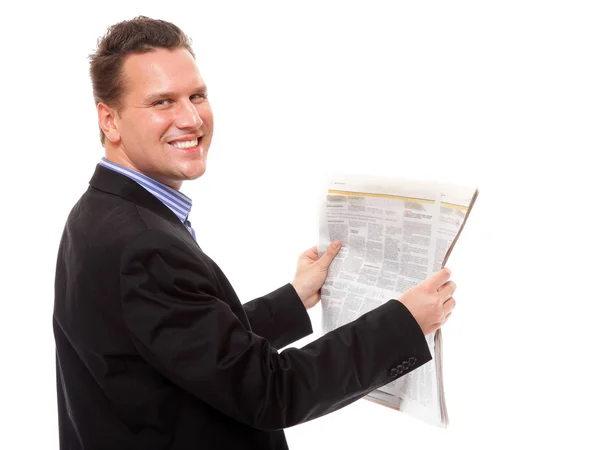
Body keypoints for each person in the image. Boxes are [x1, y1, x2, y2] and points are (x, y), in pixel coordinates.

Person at [53, 16, 457, 450]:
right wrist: (403, 325)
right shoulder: (142, 244)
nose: (191, 118)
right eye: (162, 103)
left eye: (196, 96)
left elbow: (191, 344)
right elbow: (269, 392)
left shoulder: (100, 211)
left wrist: (295, 297)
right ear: (109, 120)